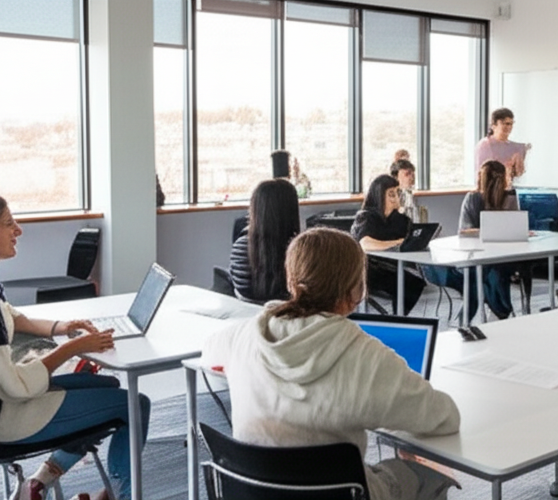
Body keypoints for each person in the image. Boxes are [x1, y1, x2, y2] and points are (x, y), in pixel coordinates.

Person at [201, 228, 461, 500]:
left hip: (258, 489)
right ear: (356, 288)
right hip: (339, 490)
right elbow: (444, 417)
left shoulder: (245, 335)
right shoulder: (365, 355)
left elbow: (208, 352)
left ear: (292, 280)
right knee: (428, 474)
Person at [0, 191, 150, 500]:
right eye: (9, 224)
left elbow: (10, 317)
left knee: (105, 384)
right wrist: (73, 347)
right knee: (134, 405)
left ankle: (42, 480)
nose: (18, 230)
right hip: (7, 420)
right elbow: (14, 386)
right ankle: (123, 495)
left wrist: (62, 328)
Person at [350, 175, 427, 315]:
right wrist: (397, 242)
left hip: (391, 266)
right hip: (366, 267)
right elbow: (365, 244)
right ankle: (398, 318)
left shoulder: (400, 220)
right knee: (405, 283)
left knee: (415, 283)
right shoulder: (366, 216)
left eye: (398, 193)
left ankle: (401, 316)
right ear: (379, 196)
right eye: (391, 194)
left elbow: (408, 239)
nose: (396, 197)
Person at [457, 160, 519, 319]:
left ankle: (479, 314)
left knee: (494, 271)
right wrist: (492, 230)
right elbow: (464, 231)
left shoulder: (510, 198)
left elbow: (515, 225)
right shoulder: (473, 198)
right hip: (478, 255)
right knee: (491, 272)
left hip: (503, 254)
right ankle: (501, 311)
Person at [229, 179, 301, 303]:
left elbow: (238, 287)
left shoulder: (240, 246)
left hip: (247, 313)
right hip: (288, 314)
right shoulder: (300, 250)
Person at [474, 108, 530, 189]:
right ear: (494, 125)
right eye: (505, 123)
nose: (508, 127)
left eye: (511, 124)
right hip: (489, 190)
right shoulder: (485, 145)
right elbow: (483, 172)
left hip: (507, 190)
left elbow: (519, 173)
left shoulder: (516, 148)